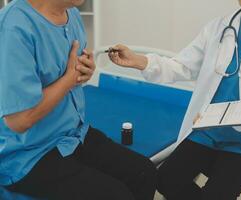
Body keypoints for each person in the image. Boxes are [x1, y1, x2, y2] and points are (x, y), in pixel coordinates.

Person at [109, 0, 241, 199]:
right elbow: (182, 65)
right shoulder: (219, 27)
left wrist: (218, 116)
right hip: (205, 133)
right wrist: (138, 60)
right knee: (166, 180)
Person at [0, 0, 157, 200]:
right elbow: (19, 120)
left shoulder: (71, 14)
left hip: (72, 135)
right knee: (117, 195)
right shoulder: (13, 29)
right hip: (28, 155)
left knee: (144, 173)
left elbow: (72, 70)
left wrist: (85, 71)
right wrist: (69, 79)